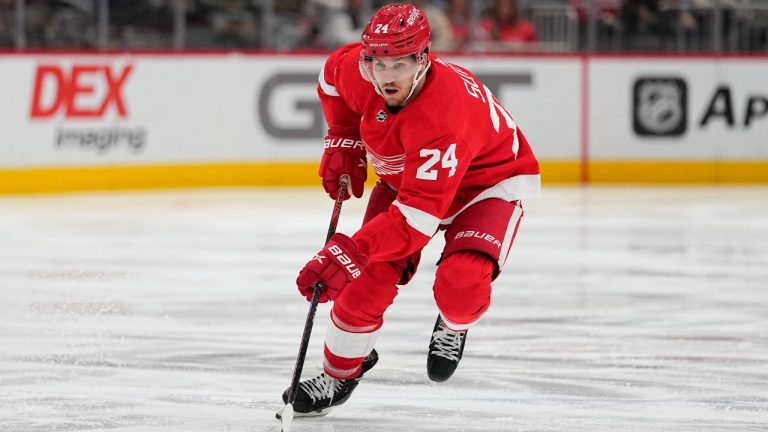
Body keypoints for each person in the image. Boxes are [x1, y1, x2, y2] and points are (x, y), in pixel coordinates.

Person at [280, 3, 540, 417]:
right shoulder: (360, 73)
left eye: (398, 64)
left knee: (460, 288)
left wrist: (351, 250)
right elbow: (330, 77)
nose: (385, 77)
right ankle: (339, 373)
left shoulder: (444, 115)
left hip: (484, 186)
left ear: (422, 59)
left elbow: (416, 222)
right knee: (363, 286)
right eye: (376, 63)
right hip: (409, 183)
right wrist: (342, 135)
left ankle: (454, 325)